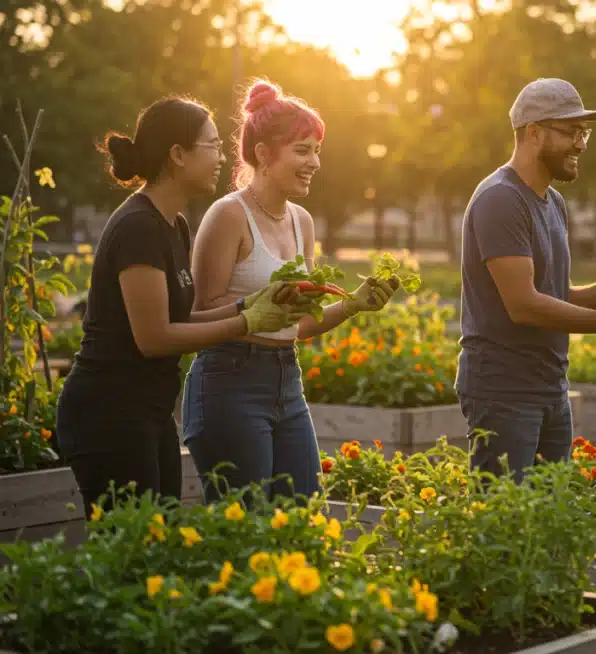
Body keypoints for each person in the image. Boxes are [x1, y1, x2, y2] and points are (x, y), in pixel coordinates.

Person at [56, 97, 310, 512]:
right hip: (108, 411)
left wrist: (253, 304)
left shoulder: (173, 224)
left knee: (160, 545)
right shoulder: (138, 227)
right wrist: (247, 321)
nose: (222, 158)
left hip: (149, 409)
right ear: (178, 155)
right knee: (132, 553)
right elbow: (154, 338)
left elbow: (182, 319)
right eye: (212, 145)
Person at [456, 78, 596, 482]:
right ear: (534, 133)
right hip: (504, 390)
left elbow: (552, 297)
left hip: (550, 387)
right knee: (504, 523)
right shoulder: (501, 199)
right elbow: (523, 305)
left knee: (548, 519)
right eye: (571, 132)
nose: (581, 144)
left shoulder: (554, 203)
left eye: (585, 132)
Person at [183, 80, 401, 504]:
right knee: (247, 530)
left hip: (287, 379)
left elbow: (298, 325)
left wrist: (352, 304)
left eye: (316, 150)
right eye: (302, 150)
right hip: (230, 381)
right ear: (264, 154)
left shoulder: (302, 221)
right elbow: (199, 312)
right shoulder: (228, 216)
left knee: (302, 514)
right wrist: (257, 308)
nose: (315, 162)